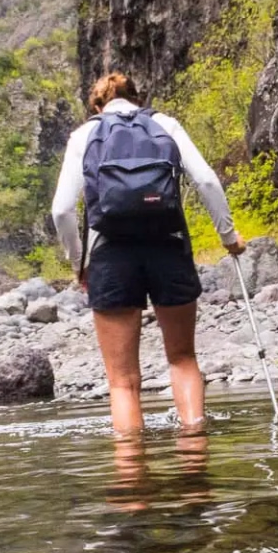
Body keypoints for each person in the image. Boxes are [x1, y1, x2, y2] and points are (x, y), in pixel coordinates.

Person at [51, 72, 247, 436]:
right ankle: (194, 456)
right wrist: (228, 237)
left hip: (110, 254)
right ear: (138, 99)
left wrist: (79, 264)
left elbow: (61, 211)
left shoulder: (84, 135)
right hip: (168, 246)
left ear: (97, 106)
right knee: (183, 359)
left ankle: (131, 468)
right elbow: (206, 180)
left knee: (122, 382)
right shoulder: (164, 124)